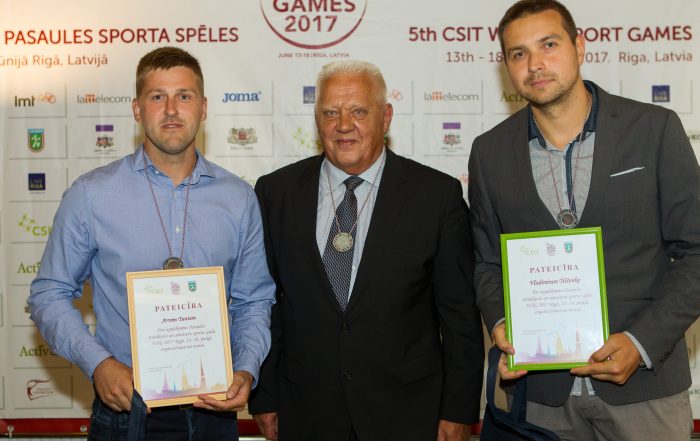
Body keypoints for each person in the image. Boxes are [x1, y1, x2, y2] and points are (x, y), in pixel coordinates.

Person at [469, 1, 700, 439]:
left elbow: (696, 251)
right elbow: (486, 263)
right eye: (518, 53)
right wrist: (501, 325)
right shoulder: (489, 152)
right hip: (542, 397)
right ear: (506, 66)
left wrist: (641, 343)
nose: (535, 64)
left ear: (579, 47)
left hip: (644, 390)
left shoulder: (654, 129)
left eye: (548, 45)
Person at [28, 46, 275, 440]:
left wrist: (246, 368)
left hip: (214, 412)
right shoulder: (91, 195)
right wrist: (99, 364)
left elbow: (253, 300)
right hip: (127, 413)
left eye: (184, 96)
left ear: (204, 108)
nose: (172, 109)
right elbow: (49, 294)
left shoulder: (238, 198)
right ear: (137, 109)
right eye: (158, 96)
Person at [248, 60, 484, 441]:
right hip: (306, 412)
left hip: (408, 415)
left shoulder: (436, 197)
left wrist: (458, 410)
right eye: (331, 113)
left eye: (359, 111)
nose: (344, 125)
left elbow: (460, 318)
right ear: (317, 119)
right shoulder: (276, 194)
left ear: (385, 117)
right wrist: (265, 397)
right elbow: (266, 305)